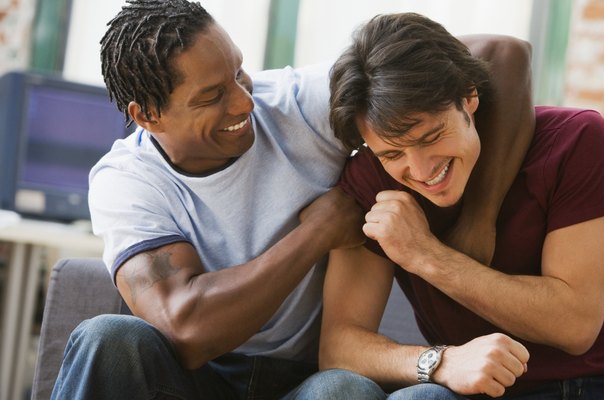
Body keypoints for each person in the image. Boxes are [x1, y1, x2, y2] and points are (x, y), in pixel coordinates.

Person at [50, 1, 535, 399]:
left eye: (239, 73)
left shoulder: (297, 103)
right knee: (108, 339)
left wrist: (479, 220)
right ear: (148, 115)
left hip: (305, 382)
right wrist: (316, 233)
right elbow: (186, 331)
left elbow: (502, 54)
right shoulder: (128, 182)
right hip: (194, 382)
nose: (244, 102)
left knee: (343, 389)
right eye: (212, 96)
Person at [320, 12, 604, 399]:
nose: (419, 169)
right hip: (474, 394)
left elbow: (574, 324)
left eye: (430, 137)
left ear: (469, 98)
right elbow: (340, 346)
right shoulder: (373, 180)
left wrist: (424, 254)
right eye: (393, 154)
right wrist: (440, 363)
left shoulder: (575, 141)